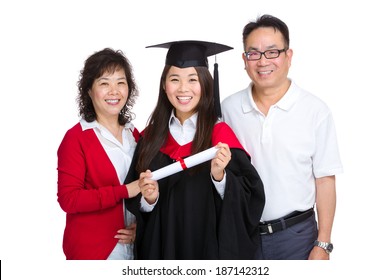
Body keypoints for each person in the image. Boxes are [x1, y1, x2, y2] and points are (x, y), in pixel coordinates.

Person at [125, 40, 265, 260]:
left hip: (207, 252)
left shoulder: (220, 137)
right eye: (174, 79)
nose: (183, 89)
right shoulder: (150, 138)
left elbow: (251, 199)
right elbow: (134, 199)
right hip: (162, 252)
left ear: (206, 84)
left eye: (193, 79)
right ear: (164, 85)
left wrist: (220, 176)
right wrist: (148, 200)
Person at [221, 14, 343, 260]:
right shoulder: (228, 109)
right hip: (243, 235)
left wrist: (324, 243)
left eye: (272, 52)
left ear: (288, 56)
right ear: (244, 60)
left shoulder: (314, 110)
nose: (262, 61)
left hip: (297, 237)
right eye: (253, 53)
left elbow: (325, 180)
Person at [57, 48, 141, 260]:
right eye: (104, 83)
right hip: (94, 252)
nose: (114, 91)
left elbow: (143, 189)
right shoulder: (76, 138)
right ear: (88, 90)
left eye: (121, 82)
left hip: (134, 250)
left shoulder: (135, 135)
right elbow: (69, 199)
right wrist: (123, 191)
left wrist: (140, 226)